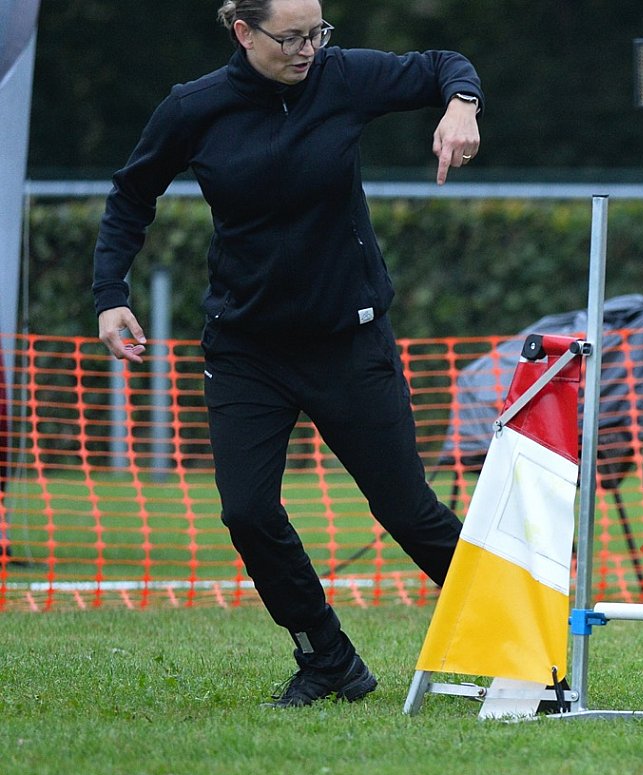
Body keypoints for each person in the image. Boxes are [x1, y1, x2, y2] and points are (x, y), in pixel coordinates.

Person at [93, 0, 482, 707]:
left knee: (408, 511)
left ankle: (526, 639)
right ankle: (327, 658)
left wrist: (462, 105)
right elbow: (131, 194)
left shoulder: (343, 77)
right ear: (244, 32)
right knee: (247, 512)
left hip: (350, 343)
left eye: (317, 34)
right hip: (247, 349)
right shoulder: (193, 108)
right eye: (292, 37)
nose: (308, 49)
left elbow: (442, 65)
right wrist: (109, 293)